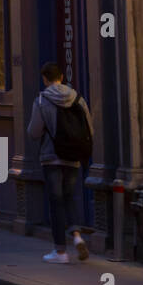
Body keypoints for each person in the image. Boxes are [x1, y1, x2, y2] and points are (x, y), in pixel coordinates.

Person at [27, 62, 93, 263]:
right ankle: (77, 236)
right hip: (72, 157)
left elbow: (33, 132)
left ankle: (60, 252)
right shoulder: (78, 99)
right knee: (69, 196)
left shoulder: (41, 100)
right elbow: (90, 130)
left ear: (45, 79)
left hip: (51, 157)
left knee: (56, 202)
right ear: (62, 77)